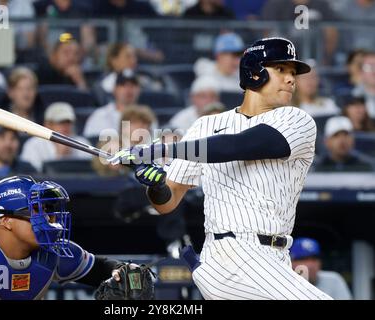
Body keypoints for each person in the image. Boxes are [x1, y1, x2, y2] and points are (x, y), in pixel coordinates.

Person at [112, 37, 333, 299]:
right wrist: (156, 185)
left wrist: (160, 150)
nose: (291, 79)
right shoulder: (205, 126)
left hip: (275, 258)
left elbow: (239, 145)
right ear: (254, 73)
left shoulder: (297, 119)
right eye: (280, 70)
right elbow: (167, 203)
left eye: (293, 72)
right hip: (230, 255)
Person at [0, 175, 139, 299]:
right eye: (36, 212)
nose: (48, 219)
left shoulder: (53, 253)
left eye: (48, 211)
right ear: (5, 220)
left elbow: (101, 269)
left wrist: (128, 273)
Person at [20, 102, 92, 172]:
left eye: (68, 122)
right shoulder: (34, 145)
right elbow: (33, 175)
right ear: (48, 125)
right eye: (61, 122)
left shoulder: (82, 143)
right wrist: (60, 156)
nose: (66, 127)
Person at [83, 69, 141, 138]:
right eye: (123, 85)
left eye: (133, 85)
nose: (129, 89)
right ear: (114, 89)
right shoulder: (100, 115)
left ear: (139, 90)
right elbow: (90, 144)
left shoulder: (146, 117)